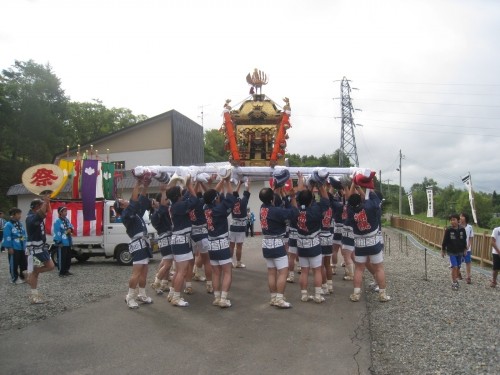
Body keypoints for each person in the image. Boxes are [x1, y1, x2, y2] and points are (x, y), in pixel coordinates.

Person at [115, 176, 154, 309]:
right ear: (121, 206)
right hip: (138, 243)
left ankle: (142, 294)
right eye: (122, 200)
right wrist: (137, 183)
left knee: (144, 271)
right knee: (136, 272)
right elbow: (134, 200)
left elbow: (141, 200)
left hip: (143, 242)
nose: (125, 200)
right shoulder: (126, 215)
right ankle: (129, 296)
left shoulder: (134, 212)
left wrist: (146, 186)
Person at [259, 184, 298, 308]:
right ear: (272, 199)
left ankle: (273, 297)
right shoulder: (276, 211)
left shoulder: (262, 208)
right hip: (277, 244)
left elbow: (272, 199)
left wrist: (277, 187)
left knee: (271, 272)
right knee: (283, 272)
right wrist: (292, 197)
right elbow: (294, 213)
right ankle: (280, 299)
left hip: (266, 243)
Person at [296, 172, 330, 303]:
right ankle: (317, 295)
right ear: (311, 200)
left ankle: (304, 295)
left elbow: (301, 195)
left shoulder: (297, 209)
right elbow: (326, 201)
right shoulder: (315, 210)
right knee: (317, 270)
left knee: (304, 271)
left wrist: (300, 179)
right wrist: (320, 185)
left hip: (301, 244)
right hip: (314, 244)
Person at [203, 175, 236, 308]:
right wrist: (227, 182)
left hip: (211, 243)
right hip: (221, 242)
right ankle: (223, 298)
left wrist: (222, 181)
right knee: (227, 271)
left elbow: (210, 195)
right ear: (215, 199)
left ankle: (217, 297)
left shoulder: (206, 208)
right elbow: (231, 198)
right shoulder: (219, 210)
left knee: (216, 272)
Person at [167, 176, 198, 307]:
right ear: (178, 195)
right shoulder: (179, 206)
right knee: (182, 272)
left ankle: (173, 293)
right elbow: (195, 199)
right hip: (181, 240)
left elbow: (188, 197)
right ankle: (176, 297)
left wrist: (187, 185)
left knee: (179, 271)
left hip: (178, 240)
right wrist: (190, 184)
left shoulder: (175, 205)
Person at [25, 195, 55, 304]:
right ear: (37, 207)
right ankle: (34, 297)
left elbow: (48, 213)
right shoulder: (30, 218)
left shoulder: (36, 215)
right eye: (41, 205)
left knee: (50, 266)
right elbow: (41, 214)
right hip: (34, 249)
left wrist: (47, 202)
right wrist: (45, 202)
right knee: (35, 273)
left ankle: (32, 273)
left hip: (42, 247)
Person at [150, 184, 174, 295]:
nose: (167, 200)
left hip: (163, 239)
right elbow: (164, 206)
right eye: (165, 199)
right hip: (166, 238)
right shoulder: (159, 212)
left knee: (165, 262)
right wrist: (164, 191)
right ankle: (157, 282)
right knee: (168, 264)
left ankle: (163, 283)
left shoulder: (156, 213)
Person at [190, 181, 213, 294]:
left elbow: (192, 193)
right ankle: (209, 285)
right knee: (207, 261)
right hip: (202, 232)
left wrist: (195, 184)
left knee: (190, 262)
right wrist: (199, 182)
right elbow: (209, 194)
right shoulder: (200, 202)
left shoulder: (187, 203)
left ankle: (188, 285)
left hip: (191, 233)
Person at [441, 213, 467, 291]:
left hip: (460, 251)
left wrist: (465, 249)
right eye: (451, 220)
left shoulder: (462, 229)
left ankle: (455, 279)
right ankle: (454, 282)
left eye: (454, 220)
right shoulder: (448, 230)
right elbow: (445, 240)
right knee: (454, 266)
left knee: (458, 267)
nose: (452, 221)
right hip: (451, 251)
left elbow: (464, 240)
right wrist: (443, 249)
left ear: (458, 220)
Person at [2, 208, 27, 284]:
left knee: (23, 263)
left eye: (20, 214)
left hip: (21, 246)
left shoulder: (19, 223)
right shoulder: (8, 224)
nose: (20, 216)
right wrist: (9, 247)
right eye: (18, 214)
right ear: (13, 215)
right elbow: (7, 236)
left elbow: (24, 234)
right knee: (14, 263)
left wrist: (26, 244)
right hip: (14, 246)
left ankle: (23, 276)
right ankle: (14, 278)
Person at [229, 180, 250, 268]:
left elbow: (235, 193)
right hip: (241, 226)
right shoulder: (243, 202)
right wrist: (247, 183)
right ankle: (238, 262)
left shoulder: (232, 202)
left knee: (231, 245)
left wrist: (239, 184)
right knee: (239, 246)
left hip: (233, 225)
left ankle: (230, 262)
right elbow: (247, 191)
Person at [52, 206, 74, 277]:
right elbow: (57, 232)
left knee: (68, 257)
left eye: (66, 211)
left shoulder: (66, 220)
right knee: (62, 258)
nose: (66, 212)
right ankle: (61, 272)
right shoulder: (57, 221)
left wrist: (70, 229)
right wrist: (58, 242)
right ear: (60, 213)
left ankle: (66, 270)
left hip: (68, 241)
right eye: (64, 211)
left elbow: (71, 226)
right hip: (62, 242)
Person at [459, 212, 474, 284]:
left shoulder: (470, 227)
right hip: (458, 248)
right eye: (460, 216)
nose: (461, 217)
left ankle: (468, 276)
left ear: (466, 218)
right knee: (458, 262)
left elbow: (471, 237)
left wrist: (468, 246)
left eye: (462, 216)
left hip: (467, 248)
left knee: (468, 262)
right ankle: (458, 272)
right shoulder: (457, 226)